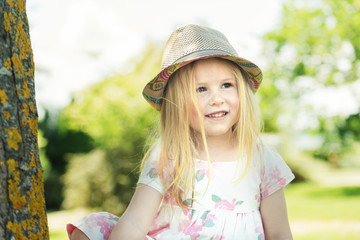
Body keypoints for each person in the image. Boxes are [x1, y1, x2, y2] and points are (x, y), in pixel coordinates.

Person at [67, 24, 295, 240]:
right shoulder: (171, 154)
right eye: (201, 89)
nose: (217, 99)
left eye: (226, 85)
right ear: (177, 104)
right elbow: (136, 222)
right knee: (92, 229)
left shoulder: (262, 159)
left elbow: (279, 233)